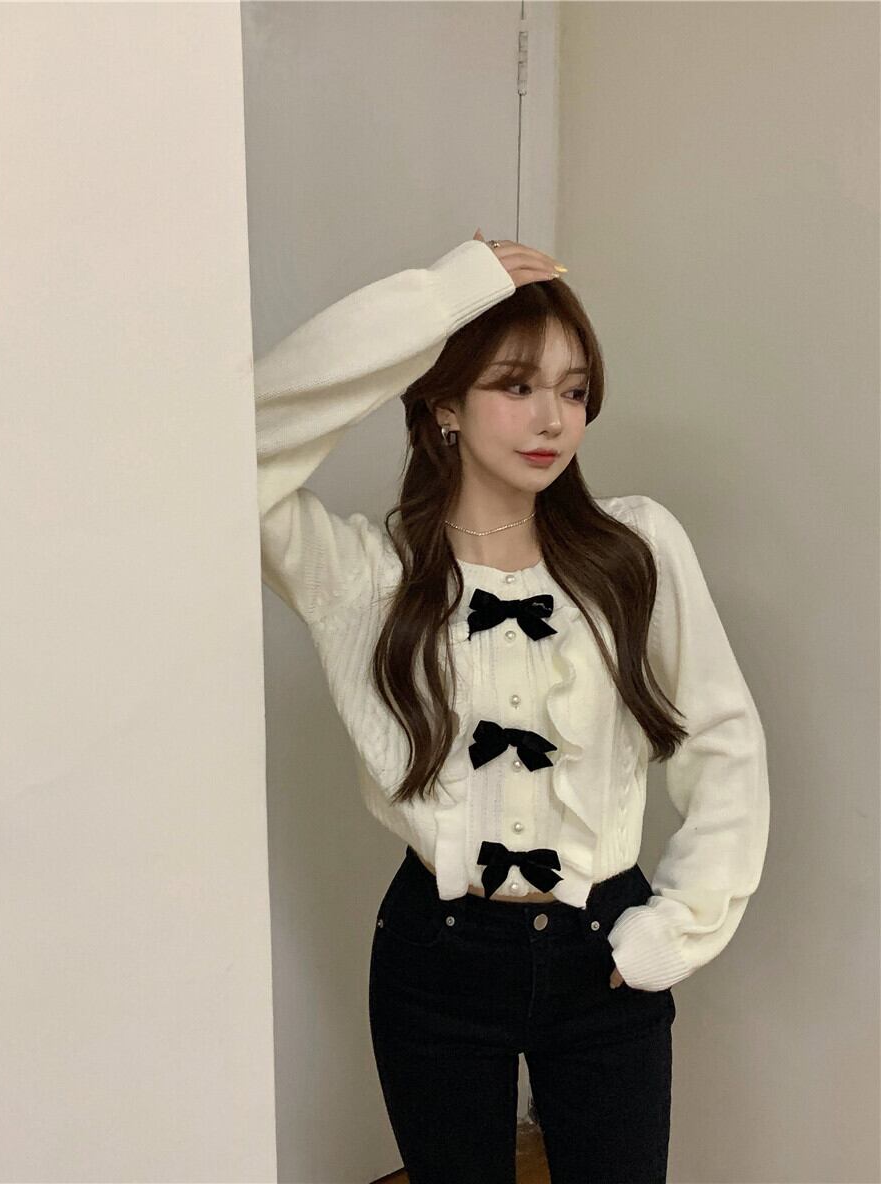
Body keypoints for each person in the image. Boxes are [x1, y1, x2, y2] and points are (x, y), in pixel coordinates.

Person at [255, 230, 770, 1184]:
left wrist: (676, 926)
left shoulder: (636, 550)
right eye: (515, 384)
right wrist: (439, 301)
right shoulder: (363, 575)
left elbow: (724, 740)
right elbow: (234, 444)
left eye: (573, 391)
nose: (552, 420)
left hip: (603, 950)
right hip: (434, 958)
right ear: (443, 405)